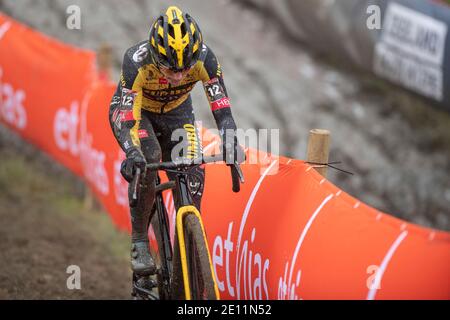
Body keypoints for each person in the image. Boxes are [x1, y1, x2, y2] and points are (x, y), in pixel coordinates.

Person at [108, 5, 244, 275]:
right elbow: (127, 119)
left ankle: (189, 260)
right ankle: (139, 240)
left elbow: (223, 110)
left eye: (186, 68)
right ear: (156, 56)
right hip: (138, 114)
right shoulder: (136, 61)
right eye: (170, 69)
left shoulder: (206, 59)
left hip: (177, 113)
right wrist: (132, 152)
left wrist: (230, 141)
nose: (179, 76)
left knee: (192, 172)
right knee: (149, 158)